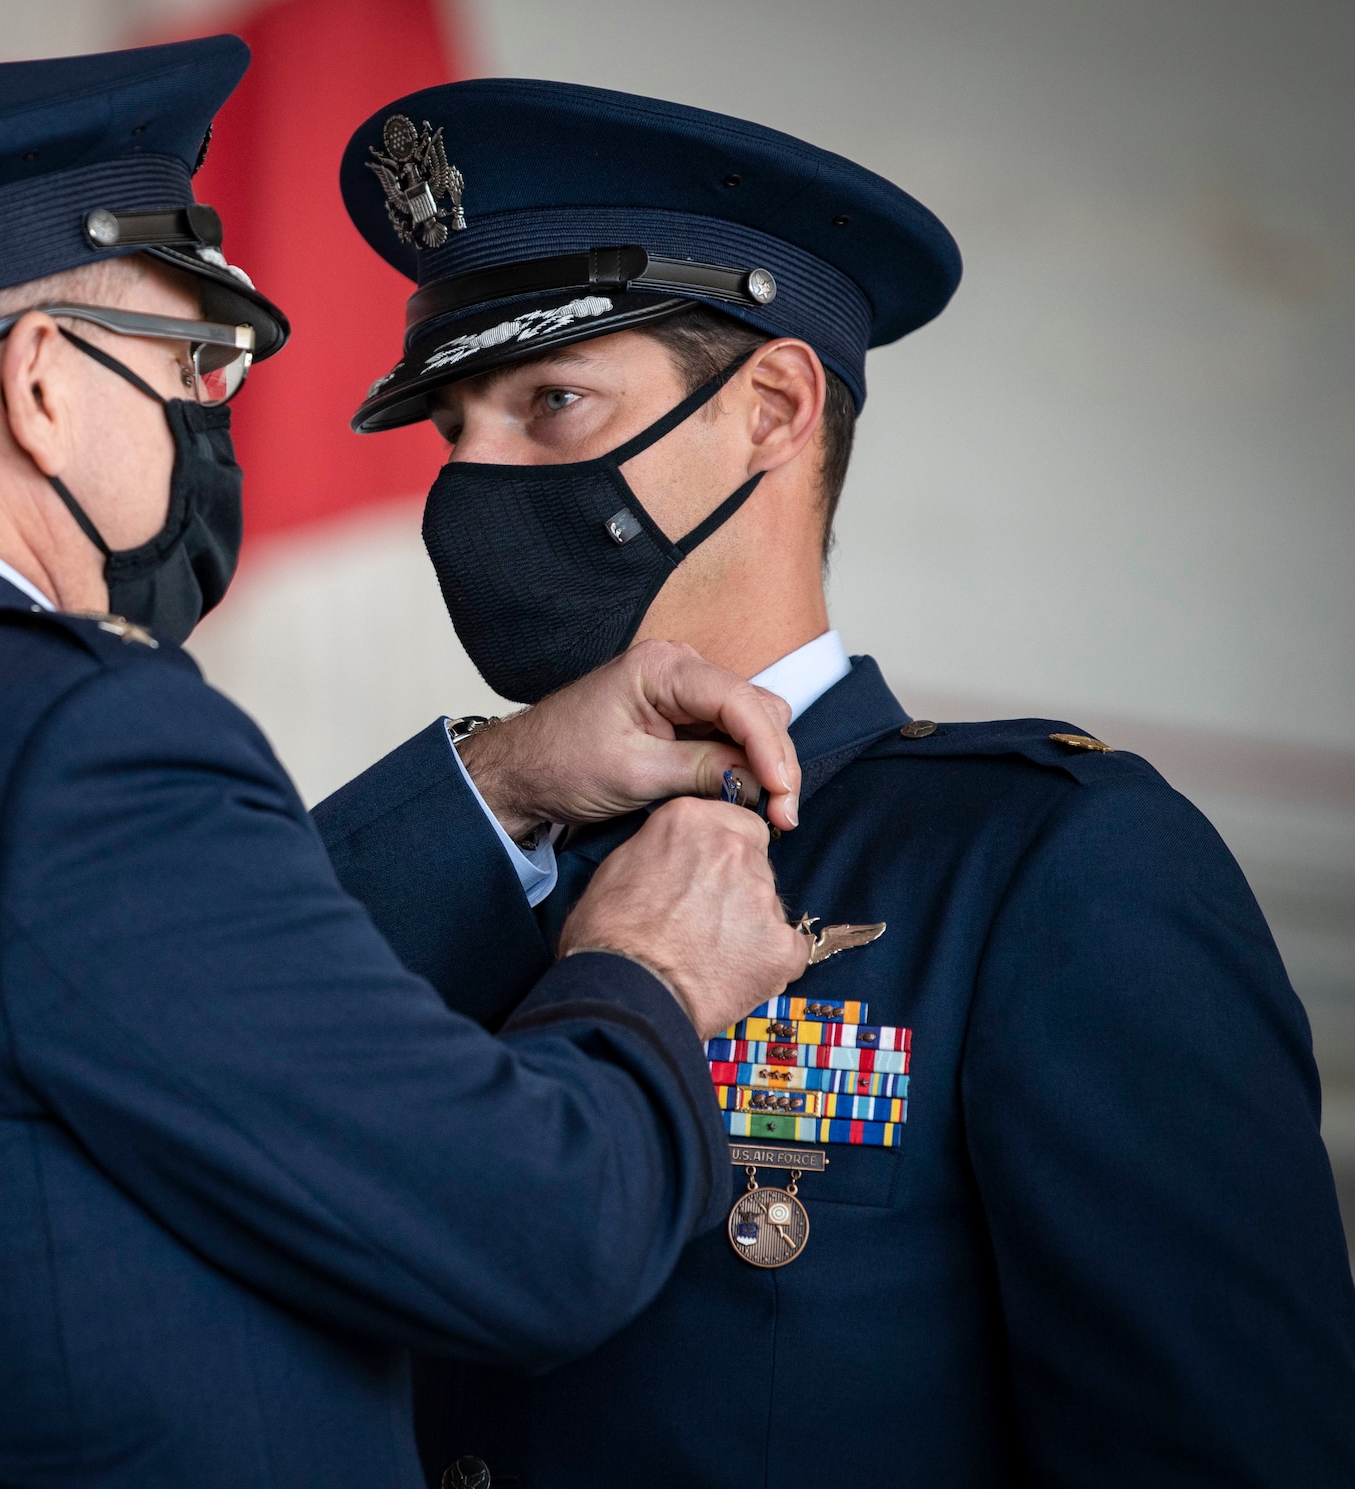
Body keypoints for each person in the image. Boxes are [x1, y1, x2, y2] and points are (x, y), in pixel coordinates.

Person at [0, 39, 822, 1489]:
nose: (209, 417)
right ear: (40, 384)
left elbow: (136, 1008)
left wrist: (507, 778)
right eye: (186, 362)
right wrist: (646, 967)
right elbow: (541, 1234)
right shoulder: (71, 739)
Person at [317, 78, 1355, 1486]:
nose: (470, 481)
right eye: (451, 429)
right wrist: (492, 782)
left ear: (774, 407)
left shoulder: (1048, 869)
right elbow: (191, 1037)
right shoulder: (463, 854)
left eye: (549, 401)